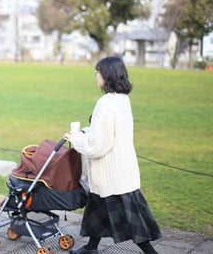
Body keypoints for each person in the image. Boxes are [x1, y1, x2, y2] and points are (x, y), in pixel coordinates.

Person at [63, 56, 162, 254]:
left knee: (133, 224)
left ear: (106, 75)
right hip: (121, 168)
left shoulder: (106, 103)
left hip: (112, 173)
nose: (95, 75)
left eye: (97, 72)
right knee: (96, 212)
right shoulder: (122, 100)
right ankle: (91, 248)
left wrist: (76, 139)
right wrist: (87, 131)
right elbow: (107, 133)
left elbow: (100, 144)